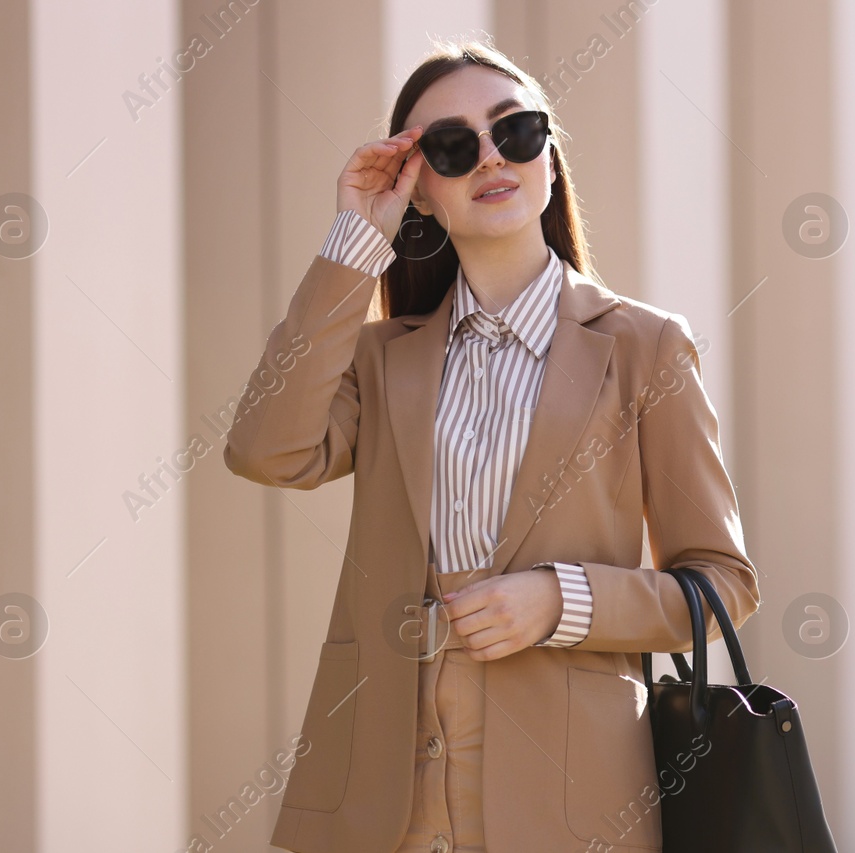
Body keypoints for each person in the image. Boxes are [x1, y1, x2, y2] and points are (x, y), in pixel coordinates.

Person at [222, 38, 760, 853]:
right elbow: (266, 449)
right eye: (450, 145)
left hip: (569, 805)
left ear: (548, 159)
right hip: (381, 803)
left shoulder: (647, 348)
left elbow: (722, 584)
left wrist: (560, 599)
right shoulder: (382, 355)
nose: (490, 158)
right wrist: (353, 245)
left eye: (515, 130)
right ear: (422, 192)